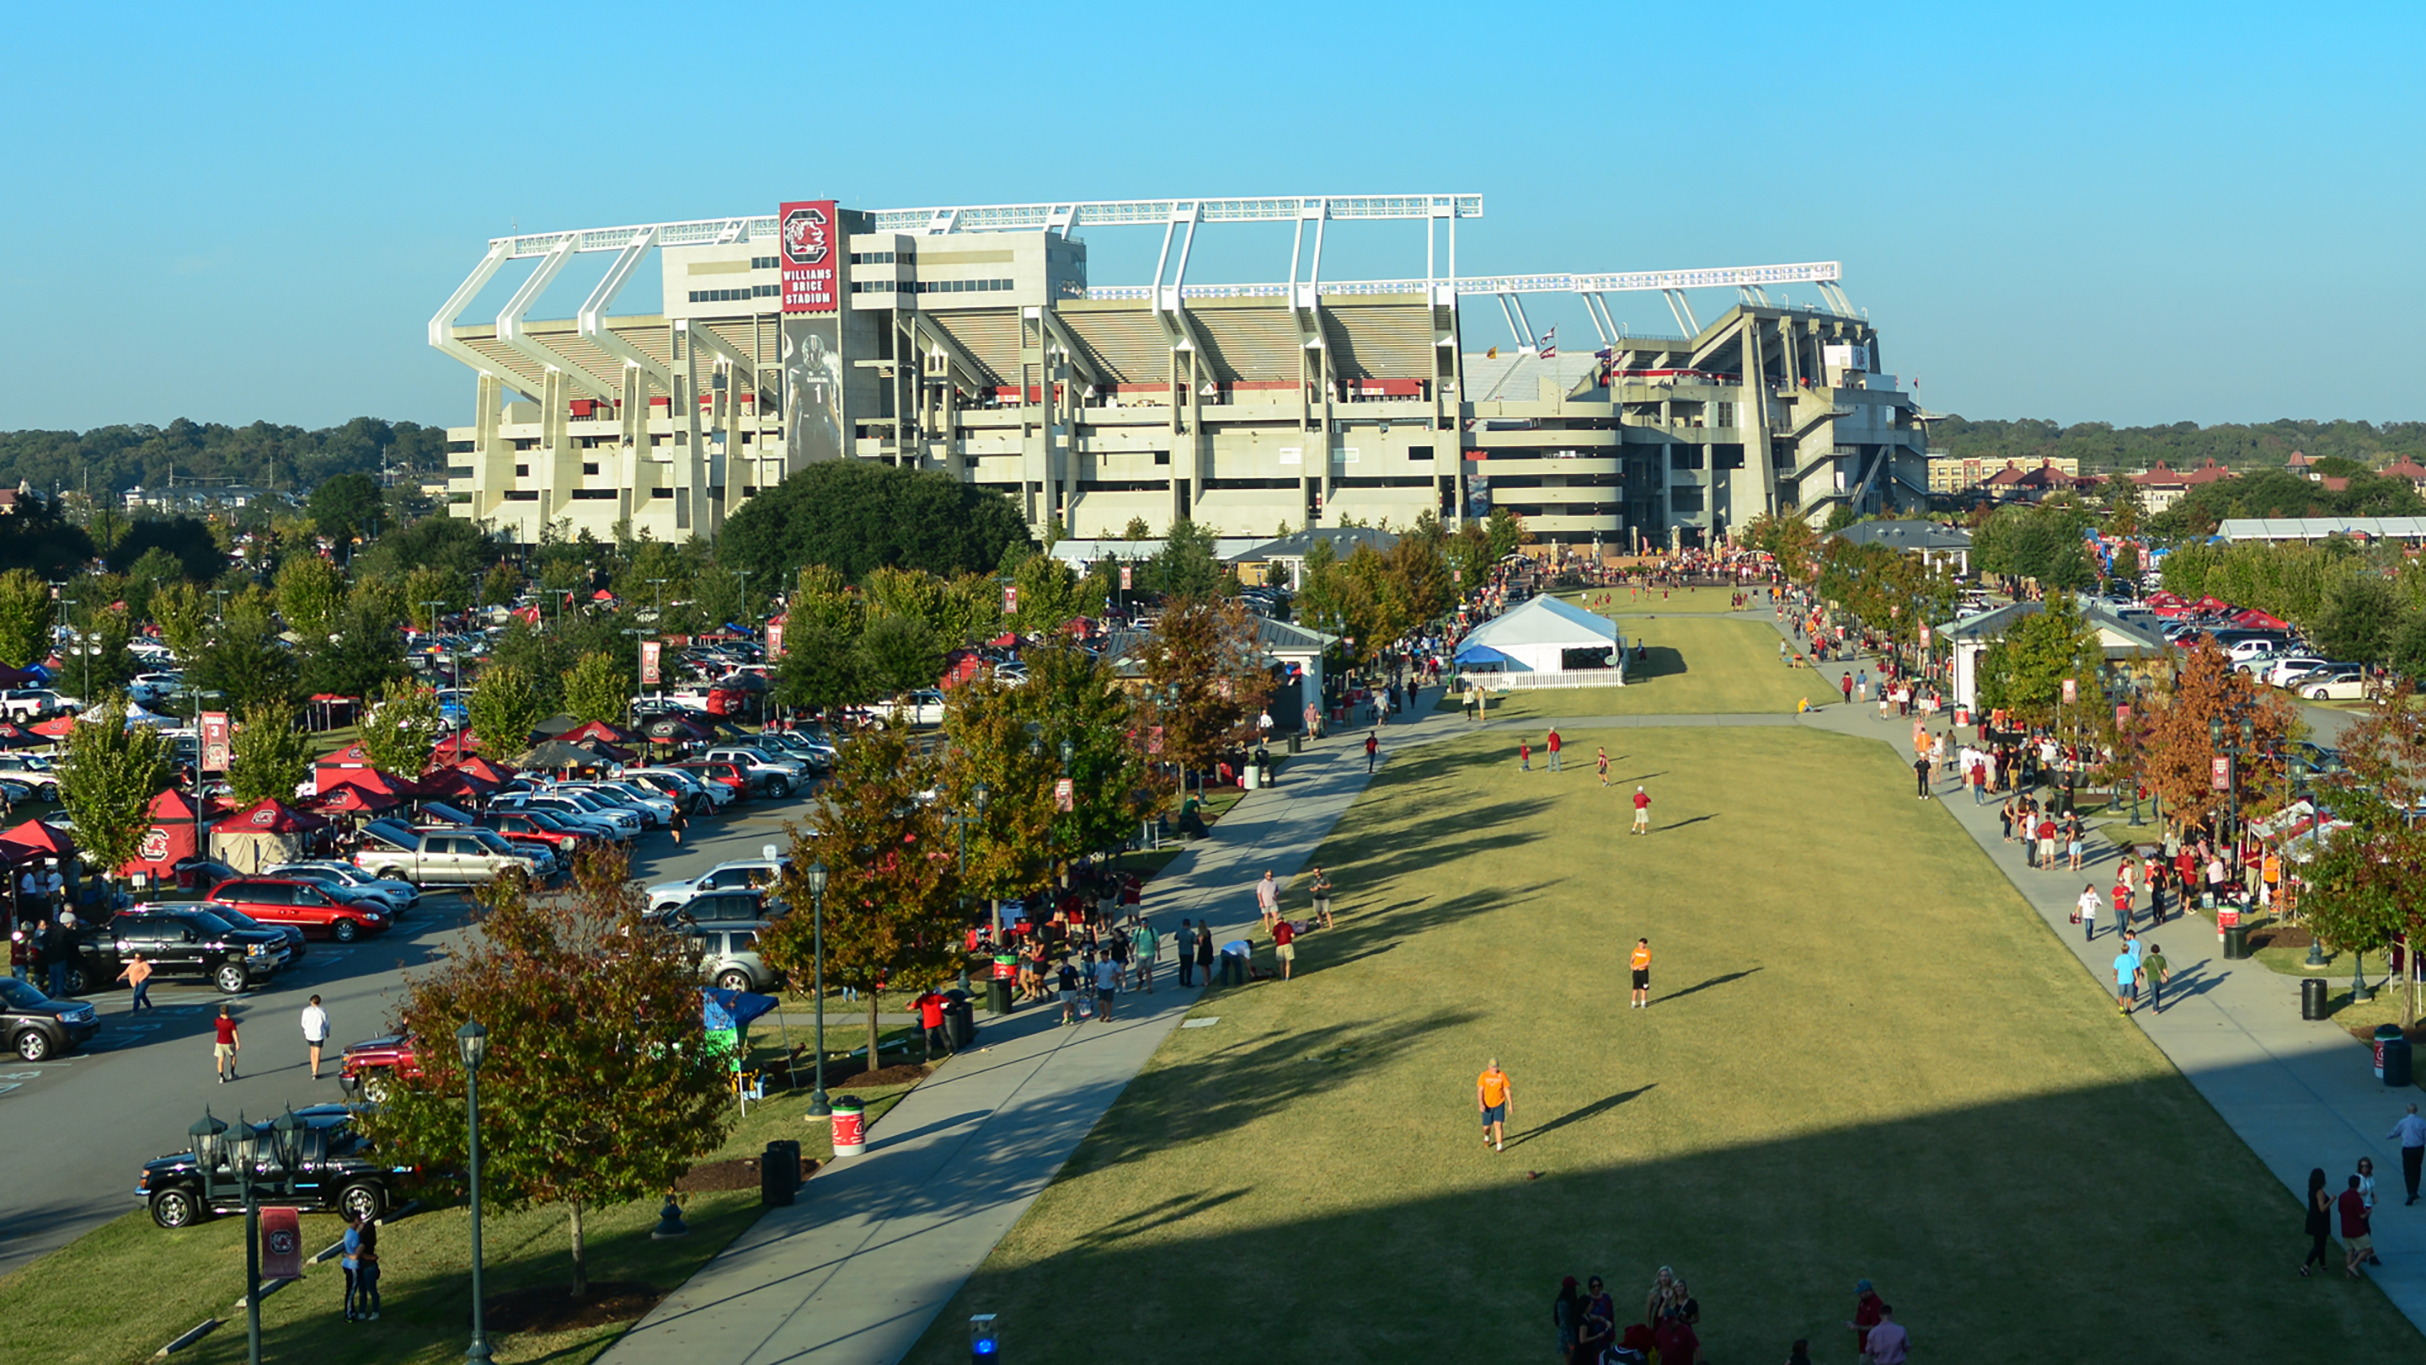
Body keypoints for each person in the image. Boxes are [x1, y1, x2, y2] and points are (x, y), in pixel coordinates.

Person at [341, 1207, 380, 1321]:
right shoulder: (356, 1237)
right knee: (357, 1290)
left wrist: (345, 1254)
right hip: (358, 1266)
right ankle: (353, 1313)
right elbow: (357, 1255)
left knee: (362, 1290)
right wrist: (373, 1257)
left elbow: (358, 1254)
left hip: (362, 1266)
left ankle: (361, 1312)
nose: (361, 1223)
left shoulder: (353, 1235)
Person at [2391, 1103, 2426, 1205]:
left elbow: (2396, 1131)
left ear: (2407, 1111)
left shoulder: (2404, 1122)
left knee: (2408, 1169)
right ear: (2416, 1110)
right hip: (2419, 1148)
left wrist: (2389, 1136)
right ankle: (2415, 1190)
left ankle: (2410, 1191)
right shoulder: (2422, 1122)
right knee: (2417, 1168)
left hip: (2408, 1149)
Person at [2301, 1167, 2333, 1276]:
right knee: (2319, 1245)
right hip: (2320, 1222)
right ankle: (2306, 1266)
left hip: (2313, 1219)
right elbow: (2322, 1208)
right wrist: (2332, 1200)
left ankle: (2323, 1265)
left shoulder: (2311, 1190)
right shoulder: (2320, 1192)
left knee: (2320, 1243)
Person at [2339, 1173, 2372, 1278]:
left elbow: (2340, 1210)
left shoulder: (2343, 1196)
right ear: (2358, 1185)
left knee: (2350, 1250)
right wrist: (2368, 1212)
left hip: (2345, 1228)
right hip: (2356, 1230)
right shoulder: (2357, 1199)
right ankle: (2354, 1265)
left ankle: (2348, 1274)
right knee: (2368, 1248)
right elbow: (2362, 1216)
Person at [1477, 1058, 1513, 1152]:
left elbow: (1506, 1090)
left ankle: (1499, 1146)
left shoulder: (1502, 1076)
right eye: (1493, 1067)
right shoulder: (1484, 1076)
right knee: (1486, 1127)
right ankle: (1487, 1136)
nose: (1494, 1069)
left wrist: (1510, 1104)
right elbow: (1480, 1090)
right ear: (1489, 1066)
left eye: (1496, 1066)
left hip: (1499, 1104)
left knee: (1498, 1125)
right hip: (1487, 1105)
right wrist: (1481, 1103)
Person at [1848, 1279, 1884, 1358]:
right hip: (1864, 1345)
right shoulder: (1862, 1302)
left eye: (1861, 1293)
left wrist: (1857, 1327)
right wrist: (1853, 1323)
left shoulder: (1876, 1304)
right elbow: (1859, 1319)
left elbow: (1875, 1327)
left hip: (1873, 1347)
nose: (1859, 1295)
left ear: (1868, 1291)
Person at [912, 988, 950, 1059]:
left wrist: (907, 1004)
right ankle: (950, 1050)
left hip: (928, 1023)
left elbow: (911, 1007)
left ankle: (929, 1056)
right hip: (938, 1020)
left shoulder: (922, 1000)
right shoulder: (937, 997)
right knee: (944, 1036)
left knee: (929, 1040)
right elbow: (947, 1000)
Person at [301, 995, 331, 1079]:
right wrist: (327, 1031)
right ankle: (315, 1072)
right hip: (318, 1034)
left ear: (311, 1001)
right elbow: (326, 1023)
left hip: (309, 1034)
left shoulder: (306, 1011)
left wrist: (306, 1029)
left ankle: (312, 1069)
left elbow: (303, 1022)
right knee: (317, 1053)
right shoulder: (322, 1011)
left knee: (312, 1051)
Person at [1552, 1276, 1581, 1361]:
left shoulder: (1570, 1300)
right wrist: (1569, 1342)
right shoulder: (1563, 1304)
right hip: (1567, 1337)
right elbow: (1564, 1324)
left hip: (1571, 1334)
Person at [2143, 942, 2170, 1012]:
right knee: (2157, 992)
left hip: (2151, 978)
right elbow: (2165, 969)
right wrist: (2167, 977)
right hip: (2159, 979)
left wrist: (2142, 974)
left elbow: (2144, 968)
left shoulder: (2148, 959)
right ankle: (2156, 1005)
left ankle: (2155, 1008)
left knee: (2153, 993)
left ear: (2151, 950)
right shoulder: (2162, 959)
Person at [1131, 917, 1156, 992]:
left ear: (1148, 923)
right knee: (1139, 971)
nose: (1144, 924)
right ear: (1141, 924)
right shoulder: (1138, 931)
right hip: (1140, 954)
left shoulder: (1152, 930)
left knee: (1148, 971)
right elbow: (1134, 942)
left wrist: (1158, 953)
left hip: (1150, 954)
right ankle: (1141, 979)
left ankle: (1149, 987)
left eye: (1145, 923)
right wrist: (1131, 953)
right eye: (1143, 923)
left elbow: (1157, 941)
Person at [1092, 952, 1120, 1022]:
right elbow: (1096, 974)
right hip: (1101, 985)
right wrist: (1093, 985)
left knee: (1109, 1002)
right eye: (1101, 956)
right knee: (1100, 1002)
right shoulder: (1099, 964)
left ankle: (1108, 1016)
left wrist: (1115, 976)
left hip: (1110, 985)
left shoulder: (1113, 963)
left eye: (1103, 956)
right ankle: (1102, 1012)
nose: (1101, 957)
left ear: (1107, 956)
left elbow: (1119, 972)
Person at [2113, 944, 2140, 1015]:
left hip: (2121, 980)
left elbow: (2116, 969)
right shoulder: (2131, 958)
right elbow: (2134, 969)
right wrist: (2137, 978)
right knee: (2129, 996)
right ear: (2128, 950)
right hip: (2130, 979)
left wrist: (2115, 976)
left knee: (2121, 994)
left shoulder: (2118, 958)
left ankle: (2121, 1006)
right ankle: (2128, 1008)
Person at [1628, 938, 1652, 1009]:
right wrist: (1631, 964)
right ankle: (1633, 1003)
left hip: (1643, 972)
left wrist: (1638, 966)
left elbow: (1647, 962)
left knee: (1643, 988)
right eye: (1639, 944)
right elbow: (1632, 957)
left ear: (1645, 944)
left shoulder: (1647, 952)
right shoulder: (1636, 950)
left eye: (1641, 944)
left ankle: (1643, 1003)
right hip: (1636, 972)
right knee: (1635, 988)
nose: (1639, 945)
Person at [1056, 957, 1081, 1025]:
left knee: (1071, 1004)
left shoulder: (1072, 968)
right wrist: (1062, 967)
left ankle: (1071, 1016)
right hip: (1063, 989)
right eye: (1062, 961)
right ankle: (1066, 1018)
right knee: (1065, 1004)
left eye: (1065, 960)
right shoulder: (1061, 969)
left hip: (1071, 988)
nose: (1064, 962)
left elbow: (1076, 977)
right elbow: (1057, 971)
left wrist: (1079, 986)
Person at [1272, 917, 1296, 981]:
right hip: (1288, 944)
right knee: (1288, 961)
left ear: (1277, 920)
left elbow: (1273, 939)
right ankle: (1287, 977)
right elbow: (1293, 935)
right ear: (1283, 919)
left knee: (1281, 962)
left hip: (1279, 945)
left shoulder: (1275, 927)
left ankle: (1282, 976)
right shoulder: (1288, 926)